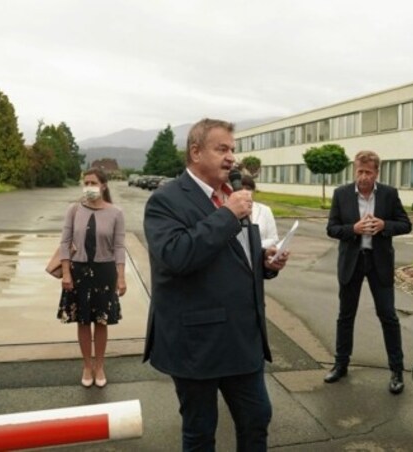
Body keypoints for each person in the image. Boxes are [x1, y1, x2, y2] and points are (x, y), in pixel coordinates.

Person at [143, 118, 289, 451]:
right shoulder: (165, 201)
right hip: (198, 343)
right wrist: (227, 214)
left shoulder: (233, 196)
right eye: (221, 149)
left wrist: (265, 261)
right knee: (200, 432)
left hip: (242, 339)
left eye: (233, 150)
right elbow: (176, 256)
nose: (231, 158)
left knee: (257, 418)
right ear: (195, 152)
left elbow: (236, 257)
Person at [324, 150, 412, 395]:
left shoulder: (389, 194)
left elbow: (406, 224)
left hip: (379, 262)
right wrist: (354, 228)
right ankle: (341, 364)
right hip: (352, 262)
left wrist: (384, 226)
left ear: (376, 173)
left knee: (388, 316)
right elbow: (331, 228)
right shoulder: (341, 194)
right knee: (345, 316)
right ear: (355, 170)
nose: (363, 177)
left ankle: (396, 370)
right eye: (359, 172)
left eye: (368, 173)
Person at [57, 168, 127, 389]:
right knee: (83, 320)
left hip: (105, 272)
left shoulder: (116, 213)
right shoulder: (74, 210)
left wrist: (121, 277)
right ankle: (87, 365)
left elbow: (119, 247)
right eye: (85, 182)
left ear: (103, 185)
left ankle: (100, 365)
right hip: (79, 272)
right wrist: (66, 272)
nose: (88, 187)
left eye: (93, 182)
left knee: (102, 320)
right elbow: (64, 242)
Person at [241, 174, 279, 249]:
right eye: (240, 188)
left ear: (253, 191)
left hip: (261, 257)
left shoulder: (265, 210)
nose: (244, 192)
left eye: (248, 188)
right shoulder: (230, 211)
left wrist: (257, 246)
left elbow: (274, 239)